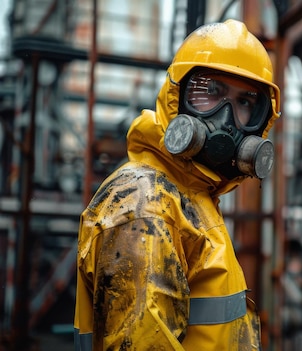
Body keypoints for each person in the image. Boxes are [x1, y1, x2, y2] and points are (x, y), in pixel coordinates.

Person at [73, 19, 281, 350]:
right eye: (210, 92)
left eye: (245, 103)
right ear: (176, 96)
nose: (227, 119)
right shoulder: (143, 204)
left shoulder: (193, 196)